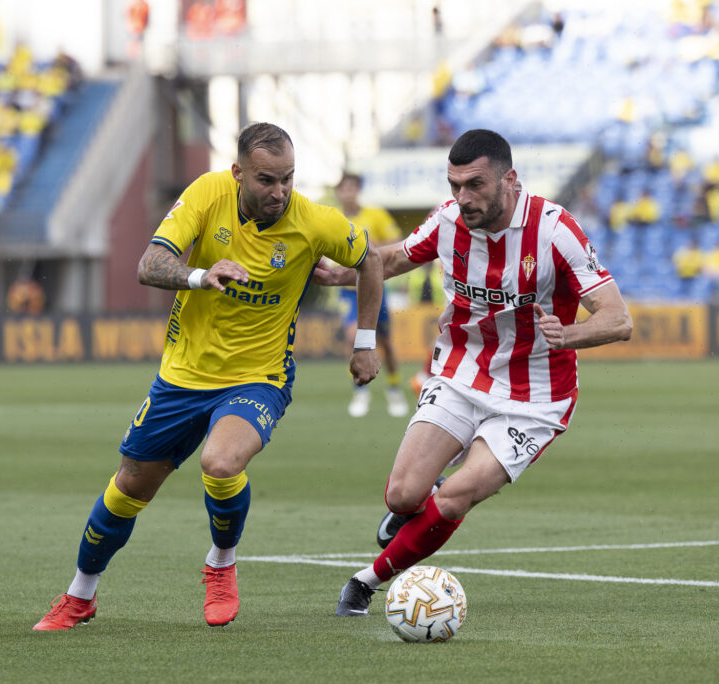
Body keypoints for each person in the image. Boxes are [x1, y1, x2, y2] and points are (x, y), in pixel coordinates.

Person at [33, 122, 383, 630]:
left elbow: (369, 258)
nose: (279, 191)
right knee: (129, 487)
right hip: (182, 375)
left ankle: (221, 562)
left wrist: (365, 343)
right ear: (238, 172)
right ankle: (80, 596)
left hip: (258, 375)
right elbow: (149, 263)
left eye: (287, 178)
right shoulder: (206, 193)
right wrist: (202, 275)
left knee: (221, 463)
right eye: (266, 180)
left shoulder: (313, 220)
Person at [312, 129, 632, 617]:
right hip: (461, 374)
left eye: (475, 185)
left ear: (510, 180)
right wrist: (343, 273)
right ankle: (418, 505)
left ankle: (366, 581)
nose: (463, 198)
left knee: (457, 495)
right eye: (454, 185)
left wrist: (571, 334)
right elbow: (396, 256)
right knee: (402, 495)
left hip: (535, 397)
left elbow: (618, 318)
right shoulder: (448, 220)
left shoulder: (553, 229)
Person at [333, 172, 409, 418]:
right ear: (338, 192)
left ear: (358, 190)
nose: (349, 193)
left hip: (373, 286)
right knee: (351, 336)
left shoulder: (375, 215)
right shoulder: (332, 219)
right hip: (347, 291)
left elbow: (396, 241)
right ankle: (360, 390)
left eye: (353, 188)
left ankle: (394, 388)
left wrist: (373, 242)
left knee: (385, 341)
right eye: (344, 188)